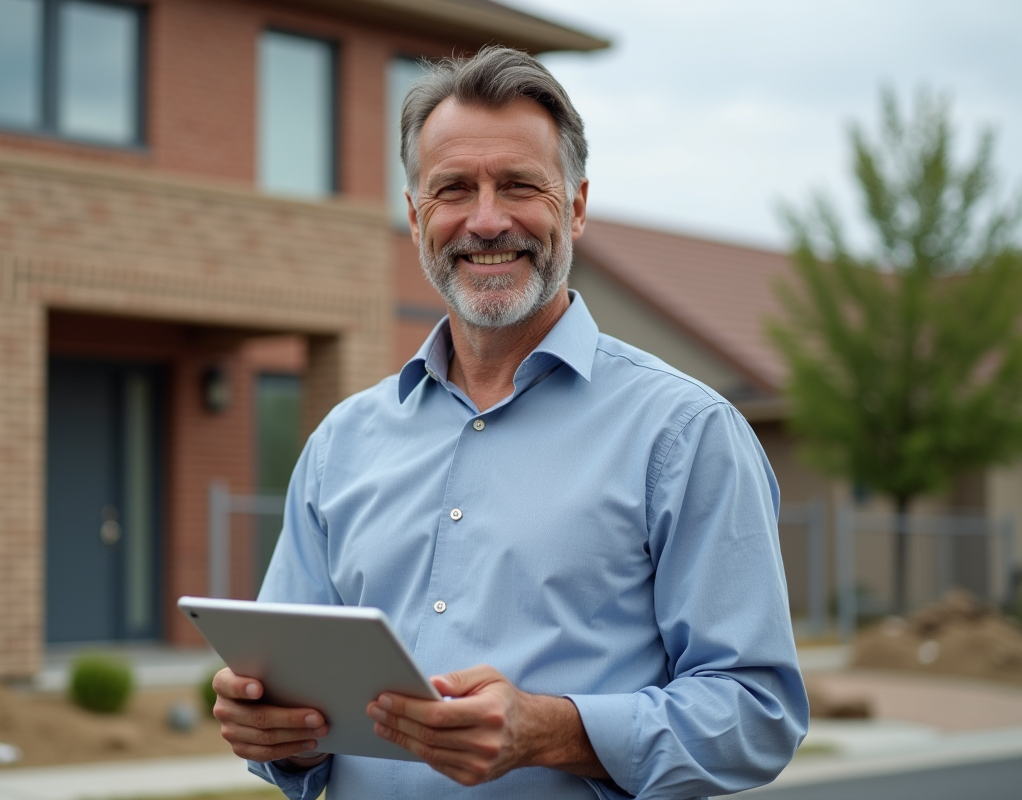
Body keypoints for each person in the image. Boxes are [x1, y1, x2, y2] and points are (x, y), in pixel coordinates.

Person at [212, 46, 808, 800]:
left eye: (520, 186)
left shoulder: (685, 434)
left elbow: (758, 716)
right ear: (414, 214)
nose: (486, 221)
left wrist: (553, 731)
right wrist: (276, 738)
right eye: (454, 189)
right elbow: (290, 692)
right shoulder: (341, 444)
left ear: (577, 206)